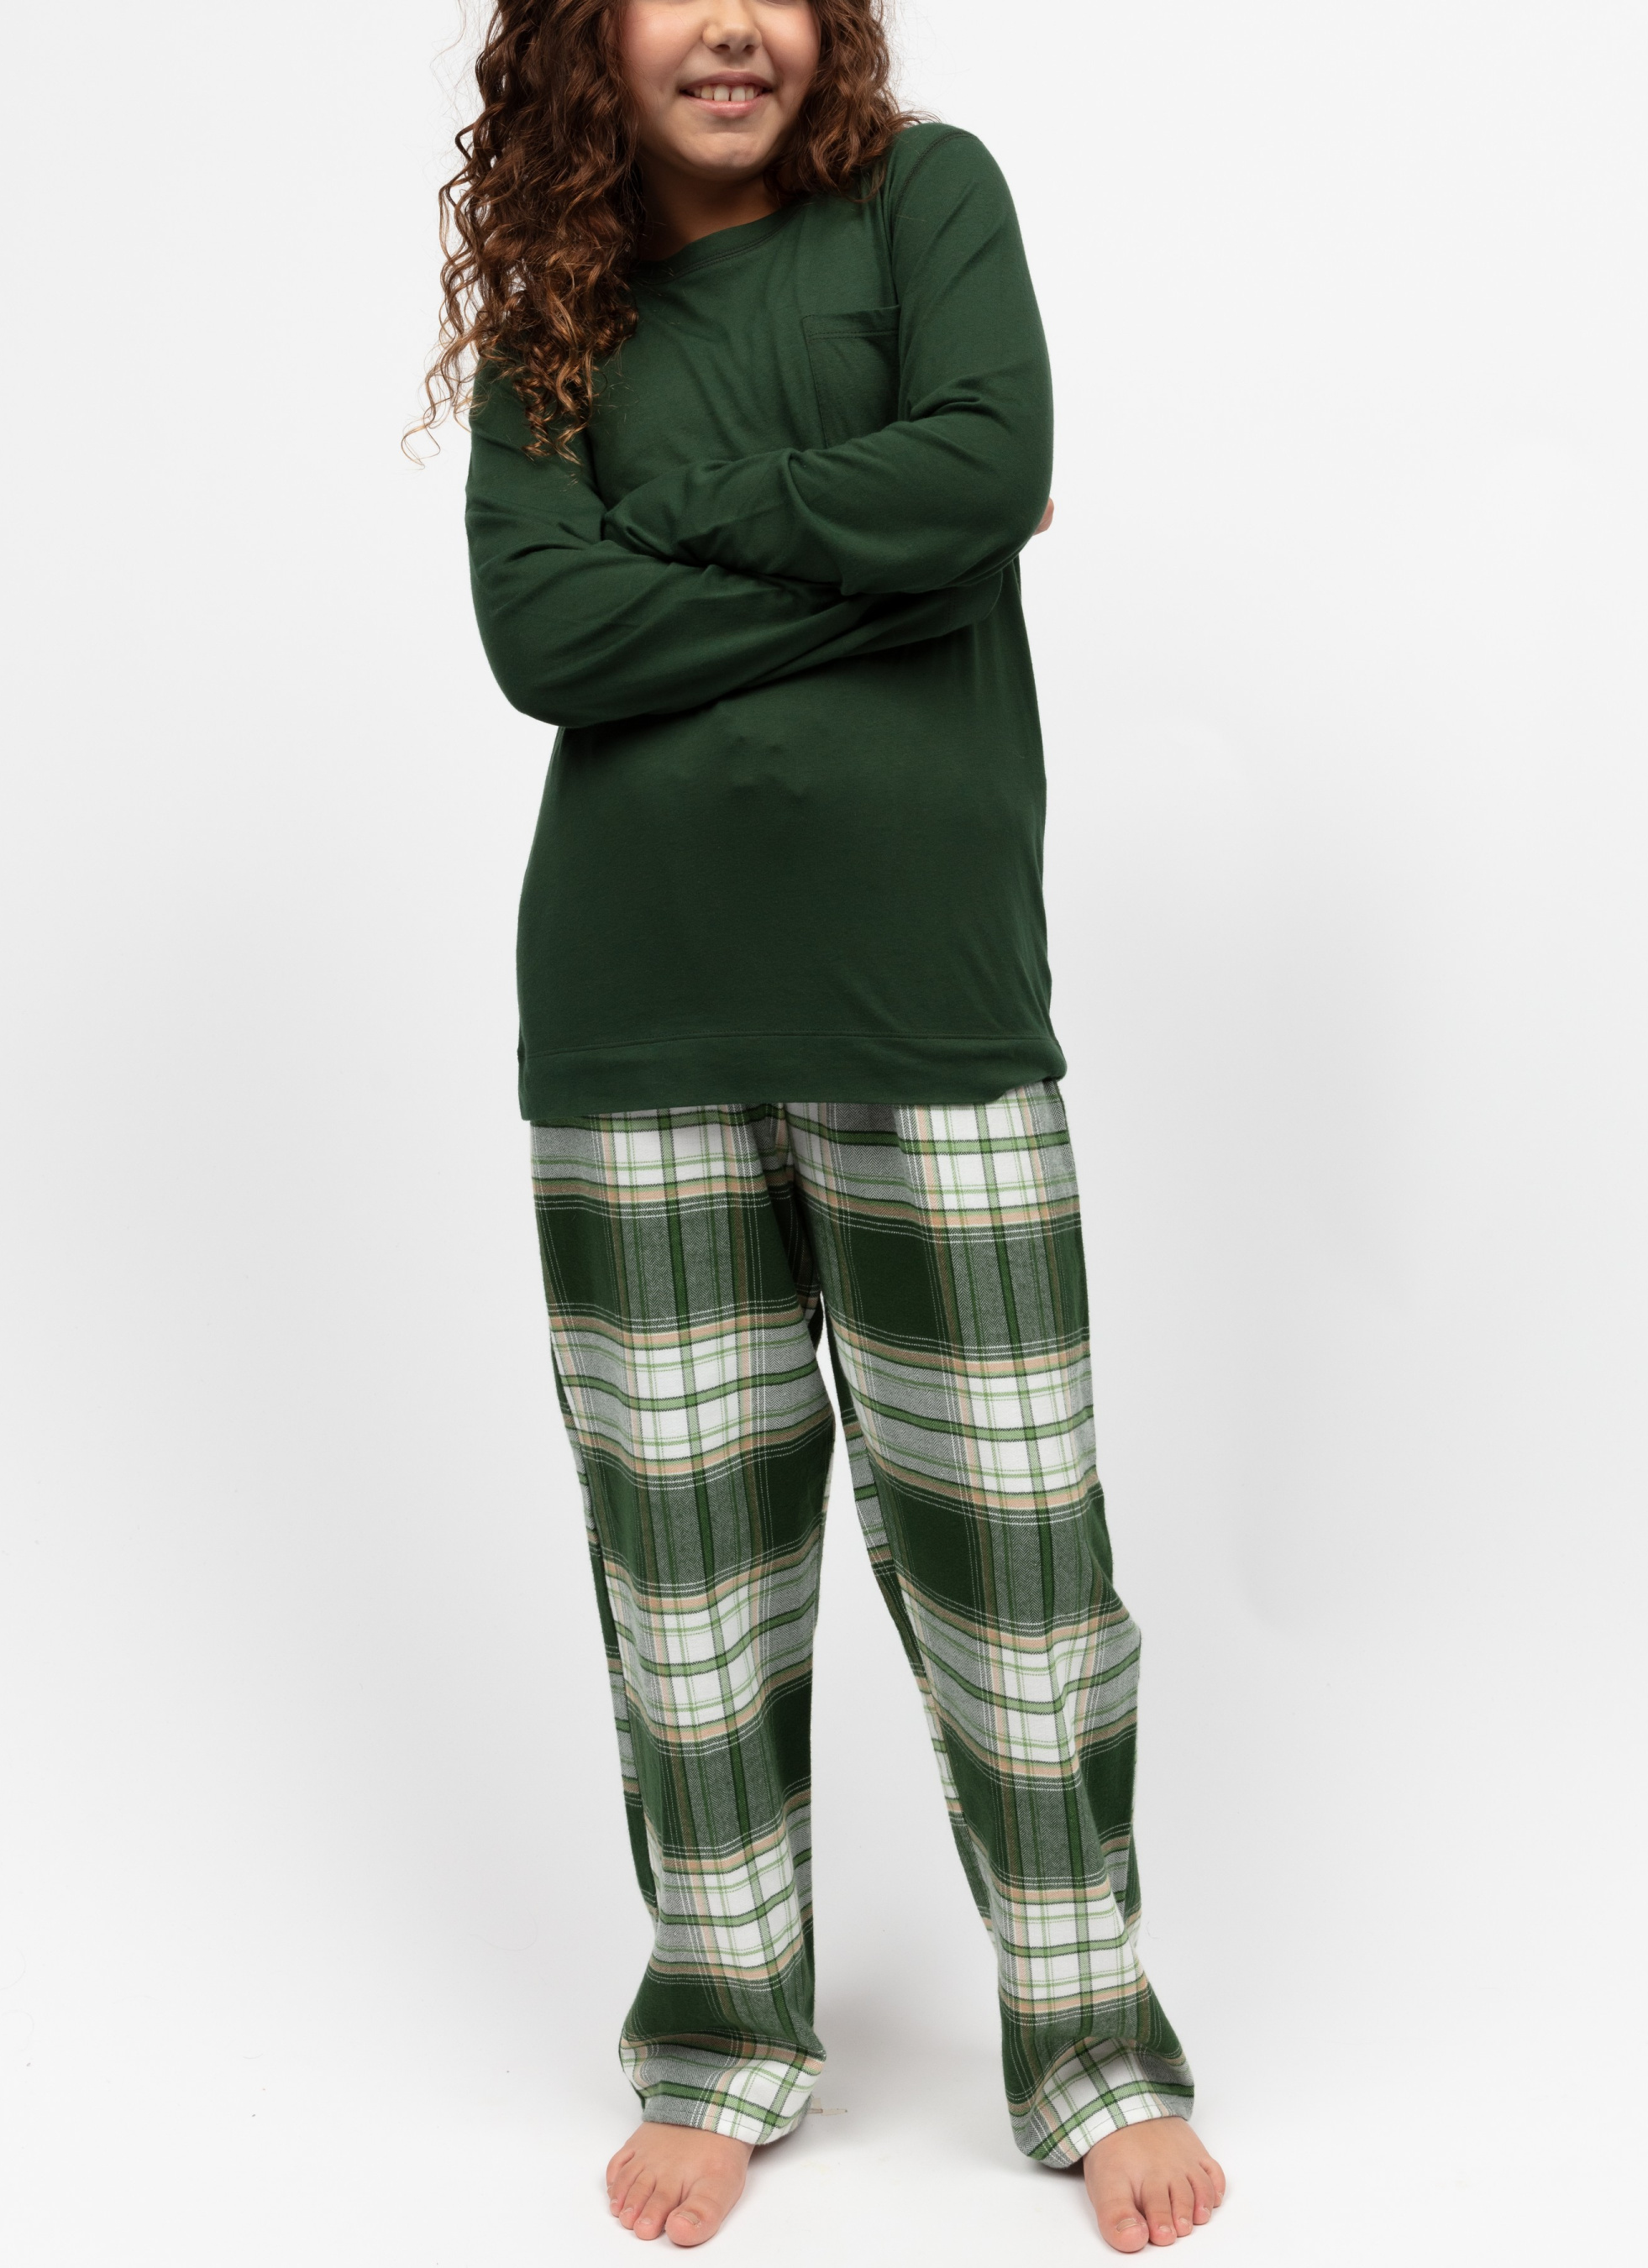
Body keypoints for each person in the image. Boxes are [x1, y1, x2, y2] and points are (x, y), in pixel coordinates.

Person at [425, 0, 1226, 2248]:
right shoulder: (556, 308)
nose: (731, 23)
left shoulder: (922, 202)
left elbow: (979, 474)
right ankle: (721, 2039)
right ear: (587, 36)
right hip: (630, 1021)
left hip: (930, 1010)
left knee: (1019, 1572)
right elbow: (542, 633)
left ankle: (1088, 2037)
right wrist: (881, 558)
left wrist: (695, 532)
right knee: (685, 1584)